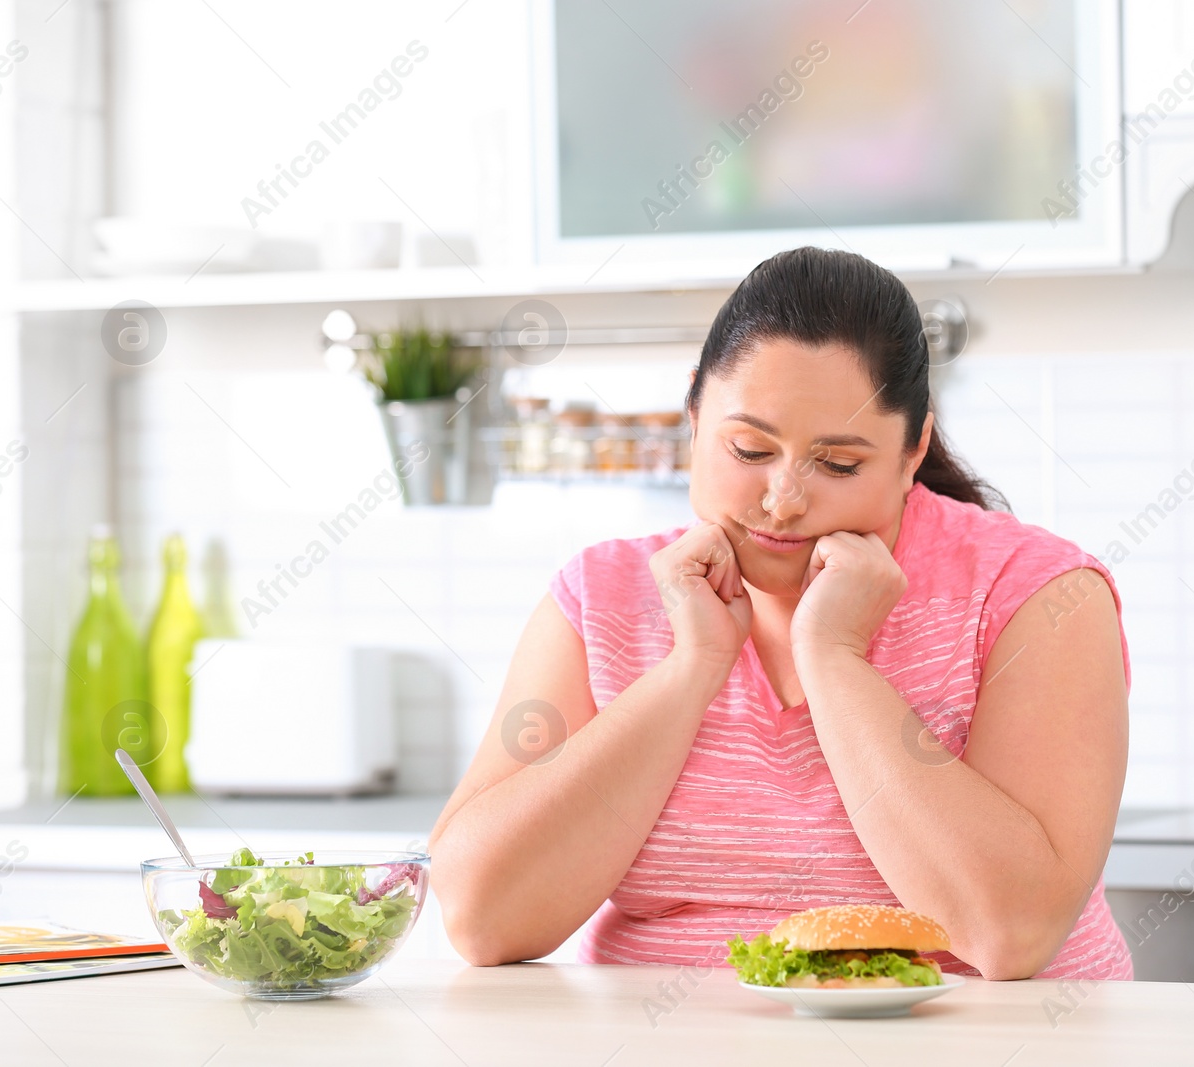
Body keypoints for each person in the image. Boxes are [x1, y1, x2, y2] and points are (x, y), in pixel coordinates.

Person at [429, 246, 1132, 980]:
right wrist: (688, 671)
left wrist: (833, 659)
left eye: (838, 465)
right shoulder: (603, 595)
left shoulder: (1039, 593)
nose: (784, 498)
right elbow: (481, 916)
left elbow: (1010, 933)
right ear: (694, 414)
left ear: (913, 447)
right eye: (750, 448)